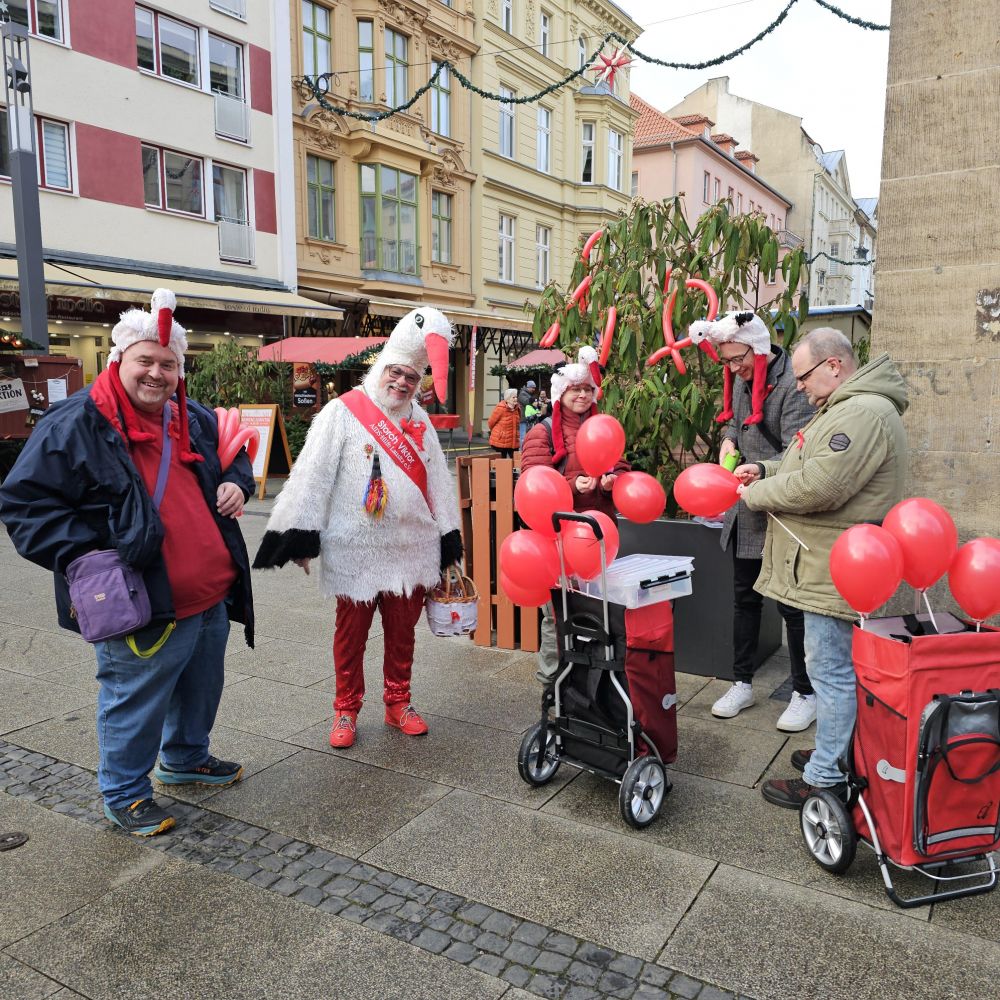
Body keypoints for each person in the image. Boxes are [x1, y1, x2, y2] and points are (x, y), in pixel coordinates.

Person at [0, 289, 255, 837]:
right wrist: (88, 556)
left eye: (168, 363)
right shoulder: (76, 423)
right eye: (146, 360)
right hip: (138, 599)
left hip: (210, 595)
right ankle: (124, 793)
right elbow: (23, 503)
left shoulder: (196, 418)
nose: (157, 373)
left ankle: (185, 759)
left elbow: (238, 456)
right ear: (119, 359)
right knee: (134, 697)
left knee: (199, 688)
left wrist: (237, 482)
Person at [252, 307, 463, 750]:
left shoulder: (420, 420)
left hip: (410, 549)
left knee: (402, 635)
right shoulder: (341, 411)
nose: (403, 383)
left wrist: (448, 539)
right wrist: (301, 535)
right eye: (397, 373)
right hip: (355, 550)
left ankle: (397, 703)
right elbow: (312, 474)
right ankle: (346, 709)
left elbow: (439, 481)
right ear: (382, 367)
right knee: (350, 636)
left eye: (411, 377)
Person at [736, 328, 908, 808]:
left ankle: (825, 776)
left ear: (835, 365)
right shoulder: (849, 407)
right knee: (834, 671)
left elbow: (820, 487)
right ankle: (838, 754)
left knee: (829, 673)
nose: (798, 386)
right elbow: (805, 462)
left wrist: (755, 494)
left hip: (836, 569)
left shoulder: (861, 412)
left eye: (804, 375)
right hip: (834, 565)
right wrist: (767, 470)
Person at [694, 312, 817, 731]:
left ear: (758, 346)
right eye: (726, 362)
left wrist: (762, 469)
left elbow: (799, 452)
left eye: (736, 359)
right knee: (744, 599)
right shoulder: (744, 379)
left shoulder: (793, 384)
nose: (733, 369)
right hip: (746, 503)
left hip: (779, 505)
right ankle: (742, 682)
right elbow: (734, 419)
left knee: (790, 606)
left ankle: (805, 691)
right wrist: (728, 437)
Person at [521, 347, 630, 687]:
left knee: (600, 616)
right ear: (561, 393)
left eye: (587, 389)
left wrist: (615, 479)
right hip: (556, 539)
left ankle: (591, 691)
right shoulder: (542, 431)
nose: (582, 395)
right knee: (558, 617)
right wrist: (571, 484)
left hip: (599, 538)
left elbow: (621, 464)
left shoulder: (603, 426)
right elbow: (532, 481)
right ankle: (552, 691)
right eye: (575, 389)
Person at [488, 388, 520, 458]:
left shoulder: (517, 409)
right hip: (501, 441)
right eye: (513, 397)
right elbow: (490, 422)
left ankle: (512, 469)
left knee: (516, 462)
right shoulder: (500, 409)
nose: (515, 399)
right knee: (502, 464)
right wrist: (500, 433)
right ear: (508, 399)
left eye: (516, 397)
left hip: (513, 441)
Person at [517, 380, 538, 447]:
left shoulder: (528, 394)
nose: (534, 389)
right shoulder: (522, 394)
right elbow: (527, 402)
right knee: (523, 437)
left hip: (528, 418)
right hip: (523, 418)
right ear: (528, 387)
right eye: (532, 388)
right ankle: (521, 452)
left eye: (534, 388)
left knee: (528, 436)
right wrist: (534, 400)